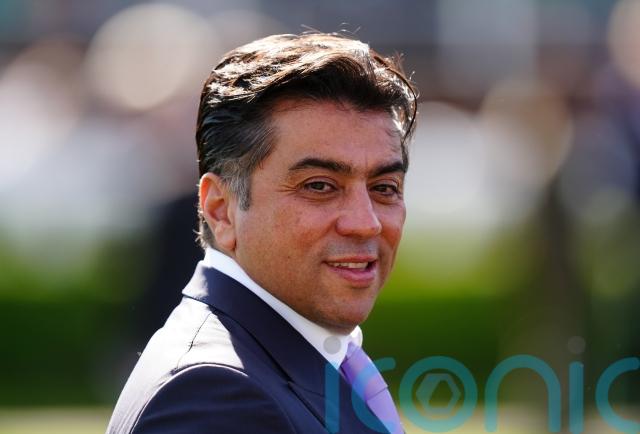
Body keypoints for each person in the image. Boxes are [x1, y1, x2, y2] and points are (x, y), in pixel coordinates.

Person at [106, 32, 417, 434]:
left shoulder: (302, 361)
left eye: (384, 188)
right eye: (319, 186)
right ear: (220, 210)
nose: (365, 222)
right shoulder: (216, 397)